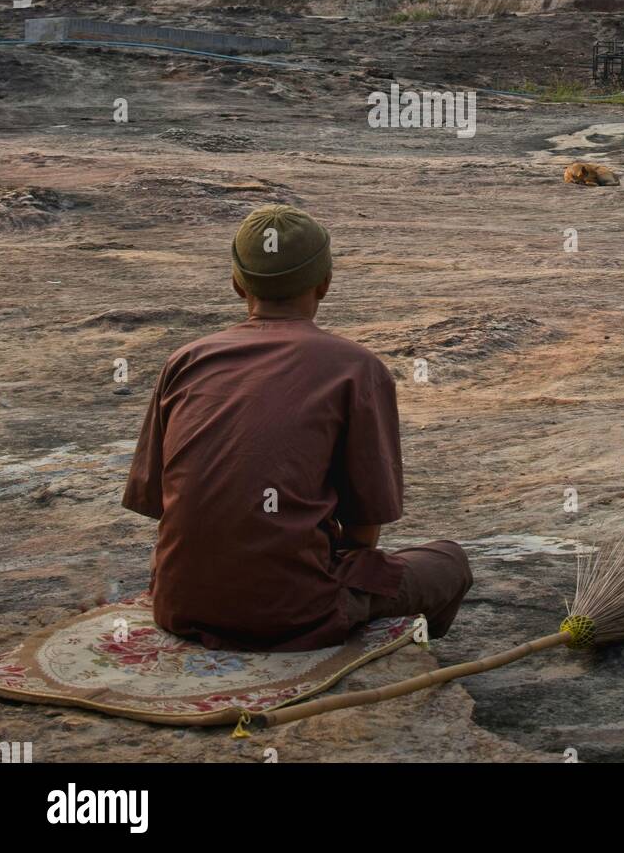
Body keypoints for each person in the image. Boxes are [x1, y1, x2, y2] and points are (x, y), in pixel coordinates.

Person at [122, 206, 472, 651]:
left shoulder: (186, 360)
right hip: (296, 615)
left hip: (178, 604)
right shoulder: (356, 368)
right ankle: (388, 645)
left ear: (236, 283)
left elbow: (156, 502)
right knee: (448, 561)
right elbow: (365, 531)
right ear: (324, 283)